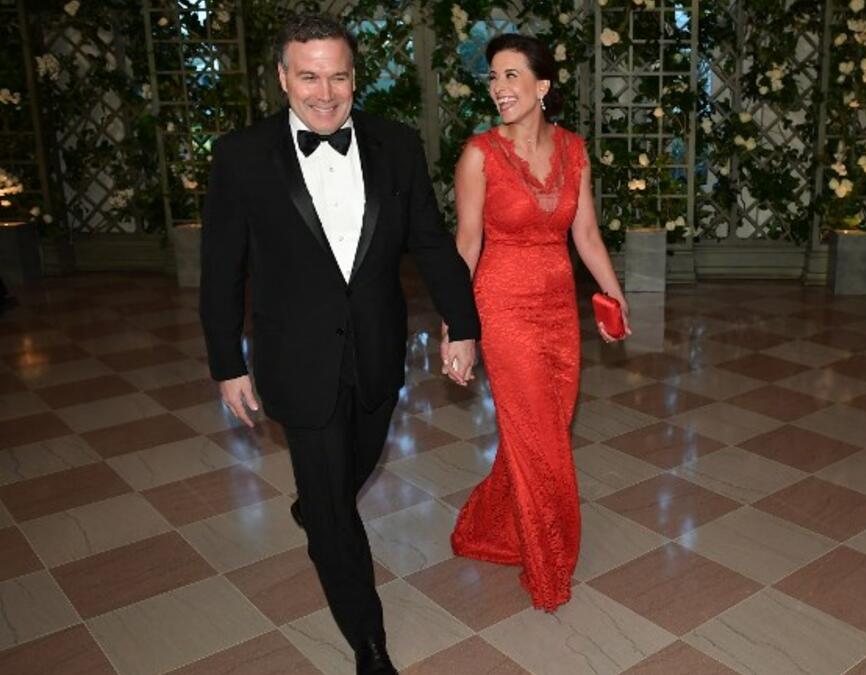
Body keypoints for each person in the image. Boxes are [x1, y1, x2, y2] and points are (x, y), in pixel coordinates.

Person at [199, 14, 480, 675]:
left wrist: (462, 323)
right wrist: (226, 362)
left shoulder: (397, 145)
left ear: (355, 77)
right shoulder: (240, 156)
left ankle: (317, 504)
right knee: (332, 513)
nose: (324, 93)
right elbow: (222, 271)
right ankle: (369, 642)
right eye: (308, 76)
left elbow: (432, 243)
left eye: (338, 76)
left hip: (378, 352)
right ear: (281, 78)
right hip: (296, 360)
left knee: (350, 470)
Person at [448, 33, 628, 612]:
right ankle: (550, 565)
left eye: (510, 76)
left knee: (542, 430)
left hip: (558, 311)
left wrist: (613, 295)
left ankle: (490, 526)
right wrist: (458, 326)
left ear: (542, 86)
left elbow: (587, 235)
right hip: (501, 309)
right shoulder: (478, 154)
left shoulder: (575, 151)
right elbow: (467, 243)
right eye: (493, 78)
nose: (498, 88)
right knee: (543, 442)